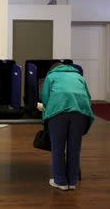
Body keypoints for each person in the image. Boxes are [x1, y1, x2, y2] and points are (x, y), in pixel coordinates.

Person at [40, 62, 94, 191]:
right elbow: (88, 97)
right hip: (80, 112)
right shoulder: (79, 77)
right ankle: (72, 181)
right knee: (74, 148)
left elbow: (45, 99)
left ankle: (60, 182)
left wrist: (45, 114)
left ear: (52, 69)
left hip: (59, 111)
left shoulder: (51, 76)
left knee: (58, 148)